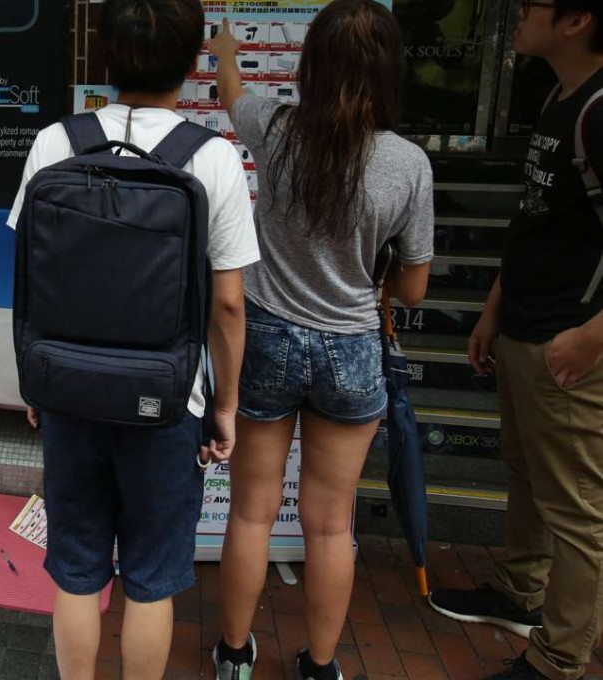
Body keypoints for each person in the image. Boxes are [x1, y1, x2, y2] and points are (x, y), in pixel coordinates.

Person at [7, 2, 259, 677]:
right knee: (151, 576)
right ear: (194, 60)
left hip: (68, 390)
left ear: (106, 56)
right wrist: (226, 405)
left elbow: (29, 277)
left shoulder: (54, 144)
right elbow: (229, 307)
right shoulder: (212, 159)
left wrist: (36, 380)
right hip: (169, 400)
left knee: (77, 570)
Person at [208, 2, 434, 678]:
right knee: (330, 524)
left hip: (267, 336)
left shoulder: (276, 128)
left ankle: (233, 657)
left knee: (251, 512)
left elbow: (229, 94)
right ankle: (321, 665)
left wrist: (224, 45)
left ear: (312, 65)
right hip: (352, 349)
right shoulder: (409, 165)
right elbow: (416, 290)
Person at [427, 3, 603, 679]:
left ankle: (559, 658)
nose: (517, 15)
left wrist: (590, 337)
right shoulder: (561, 95)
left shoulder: (600, 107)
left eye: (532, 5)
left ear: (577, 19)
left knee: (578, 509)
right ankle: (520, 590)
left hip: (568, 342)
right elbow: (536, 221)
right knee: (529, 474)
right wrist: (492, 311)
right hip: (526, 325)